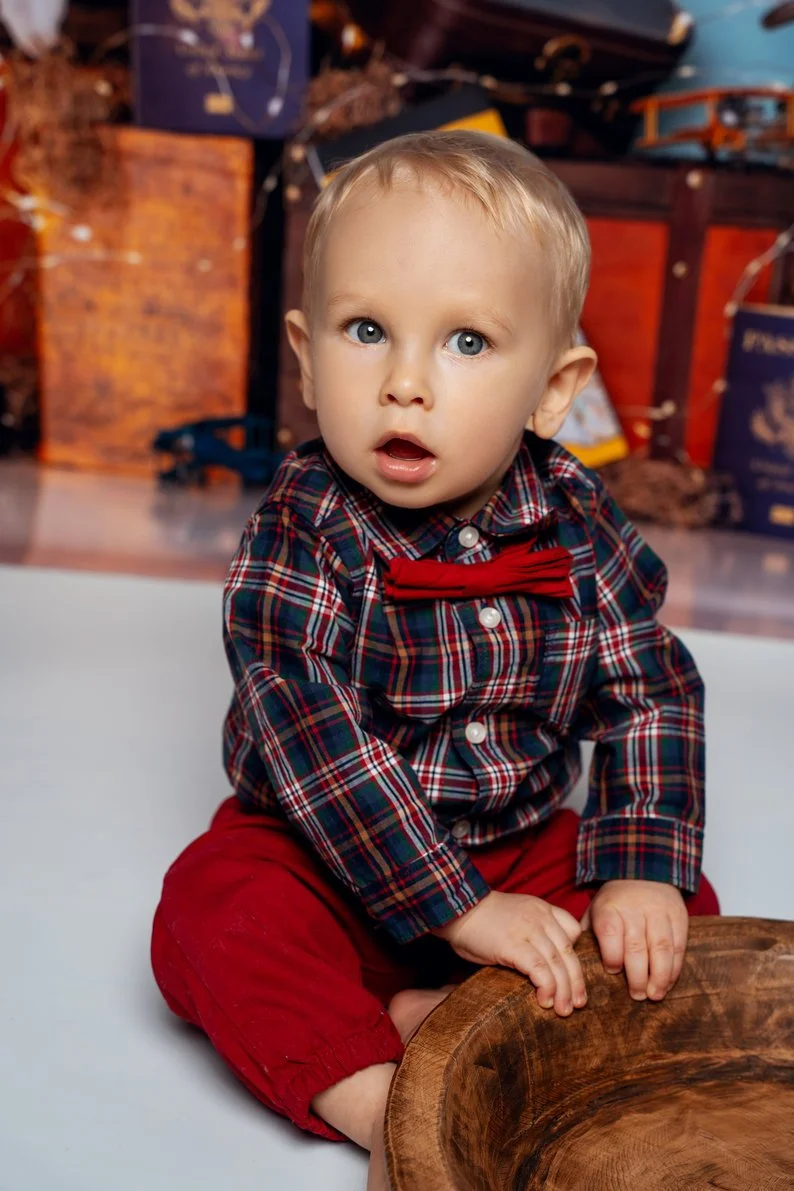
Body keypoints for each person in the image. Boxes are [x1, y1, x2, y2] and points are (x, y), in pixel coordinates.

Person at [151, 129, 719, 1190]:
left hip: (511, 849)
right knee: (212, 908)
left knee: (669, 915)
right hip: (327, 861)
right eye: (366, 330)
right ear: (307, 355)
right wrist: (454, 911)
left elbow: (648, 687)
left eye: (465, 343)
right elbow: (310, 735)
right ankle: (380, 1091)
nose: (405, 382)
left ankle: (485, 1027)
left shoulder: (573, 519)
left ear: (553, 391)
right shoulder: (304, 528)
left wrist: (639, 865)